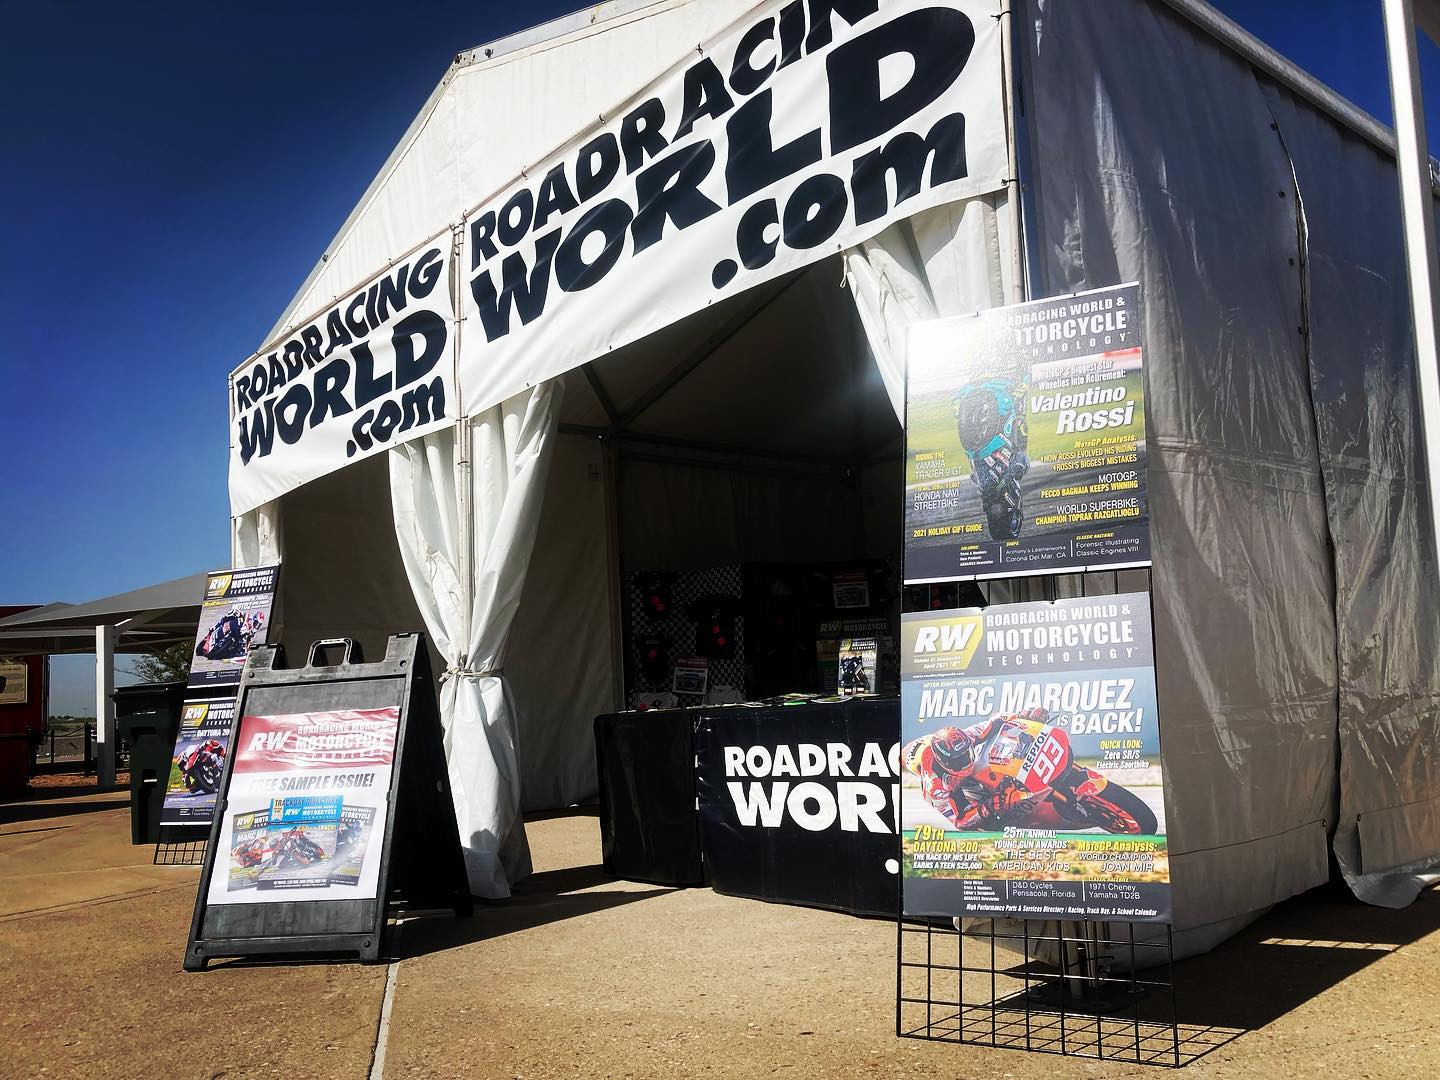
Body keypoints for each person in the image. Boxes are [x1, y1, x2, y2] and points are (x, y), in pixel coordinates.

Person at [902, 709, 1054, 829]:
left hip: (934, 742)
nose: (966, 762)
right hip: (912, 757)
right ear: (944, 763)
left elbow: (997, 721)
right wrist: (988, 806)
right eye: (958, 761)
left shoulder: (967, 737)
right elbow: (959, 822)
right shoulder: (935, 787)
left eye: (966, 754)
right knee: (989, 825)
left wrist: (1025, 714)